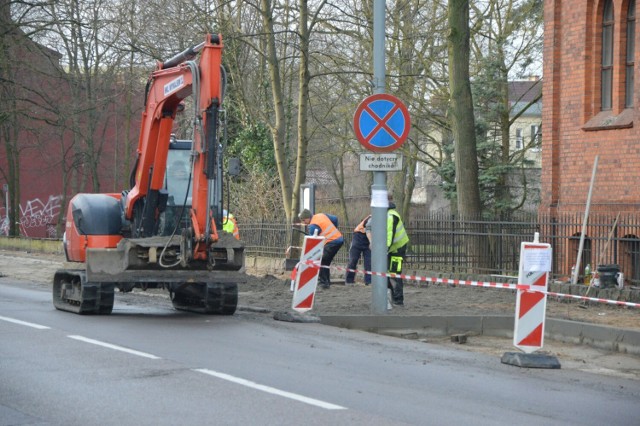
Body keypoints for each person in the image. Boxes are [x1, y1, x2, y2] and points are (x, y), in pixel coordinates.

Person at [298, 209, 344, 289]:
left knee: (321, 260)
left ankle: (324, 283)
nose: (304, 222)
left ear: (308, 217)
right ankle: (326, 282)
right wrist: (334, 230)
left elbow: (312, 242)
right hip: (339, 238)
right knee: (325, 261)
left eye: (304, 220)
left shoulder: (313, 225)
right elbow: (335, 219)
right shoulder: (321, 215)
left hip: (332, 242)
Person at [387, 199, 409, 306]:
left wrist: (384, 249)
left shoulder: (390, 216)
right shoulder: (388, 214)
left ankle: (398, 299)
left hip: (398, 250)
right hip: (394, 249)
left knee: (395, 274)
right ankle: (392, 297)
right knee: (388, 273)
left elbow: (389, 235)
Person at [345, 214, 372, 285]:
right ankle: (349, 281)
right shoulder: (373, 217)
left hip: (369, 239)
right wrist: (371, 241)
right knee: (353, 260)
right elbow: (368, 229)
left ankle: (369, 282)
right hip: (359, 236)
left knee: (369, 262)